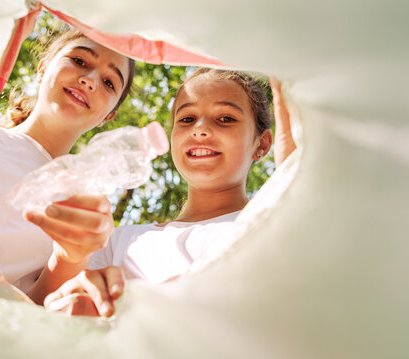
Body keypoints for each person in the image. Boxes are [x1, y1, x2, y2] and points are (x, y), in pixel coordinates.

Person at [40, 68, 297, 316]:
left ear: (261, 144)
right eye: (186, 119)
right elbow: (44, 312)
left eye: (225, 118)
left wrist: (299, 187)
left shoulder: (273, 223)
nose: (200, 129)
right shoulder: (119, 240)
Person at [0, 28, 135, 297]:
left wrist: (70, 258)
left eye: (109, 83)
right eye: (80, 61)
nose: (90, 80)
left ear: (109, 116)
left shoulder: (83, 209)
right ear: (43, 68)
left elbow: (38, 307)